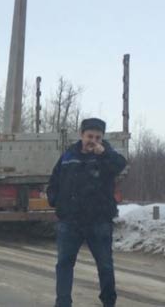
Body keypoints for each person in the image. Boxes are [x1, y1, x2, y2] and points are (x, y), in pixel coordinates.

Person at [47, 118, 127, 307]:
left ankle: (109, 301)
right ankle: (63, 303)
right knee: (64, 264)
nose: (93, 140)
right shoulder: (68, 156)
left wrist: (104, 153)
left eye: (98, 137)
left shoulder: (107, 155)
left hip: (98, 221)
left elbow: (119, 165)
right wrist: (56, 202)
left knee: (105, 265)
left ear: (102, 138)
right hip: (70, 221)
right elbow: (54, 180)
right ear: (81, 135)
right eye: (89, 136)